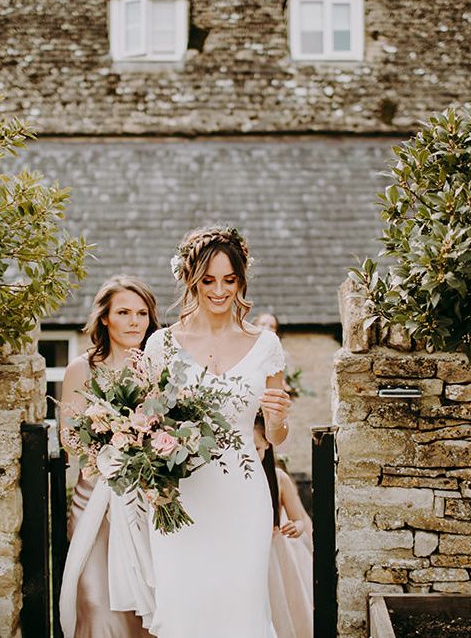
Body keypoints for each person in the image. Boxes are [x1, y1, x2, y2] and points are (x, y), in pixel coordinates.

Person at [143, 226, 291, 637]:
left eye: (229, 280)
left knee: (241, 608)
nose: (219, 290)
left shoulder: (266, 345)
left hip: (243, 498)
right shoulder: (162, 346)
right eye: (208, 280)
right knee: (185, 608)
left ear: (241, 281)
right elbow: (146, 424)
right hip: (182, 499)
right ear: (190, 280)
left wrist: (277, 418)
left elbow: (276, 436)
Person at [59, 275, 160, 638]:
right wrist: (108, 442)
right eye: (124, 312)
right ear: (105, 318)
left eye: (142, 313)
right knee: (96, 598)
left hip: (147, 500)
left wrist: (142, 445)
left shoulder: (157, 368)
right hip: (94, 501)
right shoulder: (80, 369)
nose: (135, 321)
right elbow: (69, 436)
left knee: (148, 601)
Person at [254, 417, 313, 638]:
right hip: (247, 554)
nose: (252, 455)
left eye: (257, 448)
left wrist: (296, 527)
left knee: (282, 606)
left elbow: (299, 518)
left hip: (276, 554)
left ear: (267, 444)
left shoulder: (279, 479)